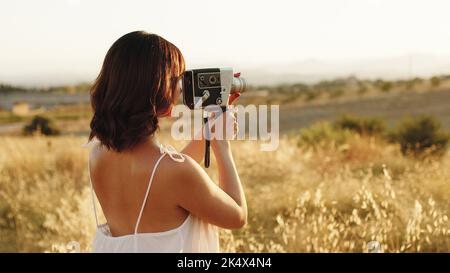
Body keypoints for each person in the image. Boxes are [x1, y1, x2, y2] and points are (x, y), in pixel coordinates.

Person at [86, 31, 247, 252]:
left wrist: (208, 132)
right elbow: (237, 216)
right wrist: (221, 145)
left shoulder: (98, 154)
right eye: (175, 77)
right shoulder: (174, 172)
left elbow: (162, 183)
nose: (180, 87)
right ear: (156, 85)